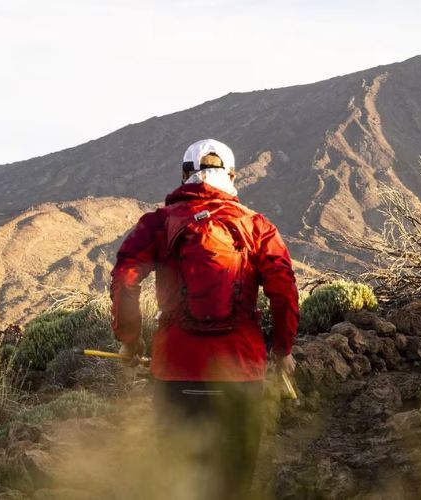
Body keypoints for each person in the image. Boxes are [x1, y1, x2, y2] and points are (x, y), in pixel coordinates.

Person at [109, 138, 299, 498]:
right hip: (240, 372)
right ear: (232, 176)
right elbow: (284, 290)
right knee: (234, 484)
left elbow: (125, 279)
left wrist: (130, 340)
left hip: (176, 368)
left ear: (185, 175)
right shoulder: (256, 226)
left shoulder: (159, 223)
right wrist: (283, 350)